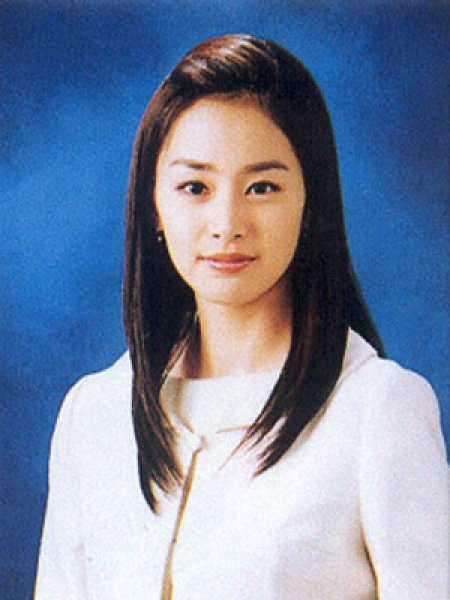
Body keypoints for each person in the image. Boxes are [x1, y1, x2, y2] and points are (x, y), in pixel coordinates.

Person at [35, 34, 448, 599]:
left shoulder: (377, 410)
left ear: (310, 202)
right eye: (195, 187)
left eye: (261, 187)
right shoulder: (94, 415)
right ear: (154, 205)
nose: (227, 224)